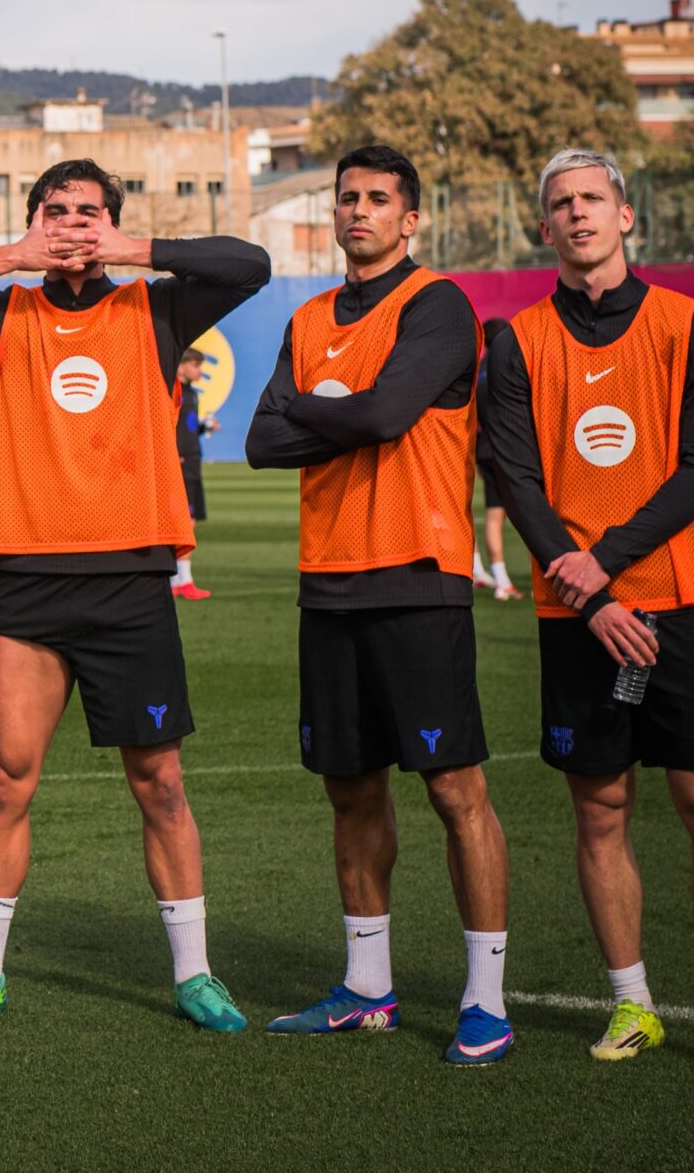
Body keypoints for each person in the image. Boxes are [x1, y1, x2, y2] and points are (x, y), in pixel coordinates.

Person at [0, 159, 269, 1029]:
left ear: (111, 224)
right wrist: (7, 256)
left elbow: (250, 264)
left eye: (88, 213)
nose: (71, 225)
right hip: (30, 579)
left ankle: (193, 972)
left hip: (132, 579)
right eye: (55, 212)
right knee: (4, 780)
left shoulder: (157, 304)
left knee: (162, 784)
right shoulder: (0, 311)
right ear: (32, 221)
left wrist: (135, 250)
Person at [484, 148, 694, 1081]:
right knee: (601, 809)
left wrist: (604, 567)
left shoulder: (687, 327)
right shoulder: (518, 339)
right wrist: (595, 595)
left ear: (627, 217)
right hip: (577, 614)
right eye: (561, 204)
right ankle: (634, 1002)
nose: (578, 214)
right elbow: (514, 477)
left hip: (681, 604)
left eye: (593, 200)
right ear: (545, 228)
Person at [244, 146, 514, 1065]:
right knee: (350, 789)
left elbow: (381, 419)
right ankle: (367, 989)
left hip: (420, 572)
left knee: (454, 789)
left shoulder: (437, 304)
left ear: (410, 220)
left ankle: (487, 1000)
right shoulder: (311, 314)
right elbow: (257, 441)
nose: (359, 210)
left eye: (378, 199)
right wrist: (344, 406)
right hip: (329, 577)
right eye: (347, 197)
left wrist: (322, 404)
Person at [471, 318, 518, 600]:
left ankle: (497, 578)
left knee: (492, 515)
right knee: (530, 512)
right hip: (509, 451)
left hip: (485, 448)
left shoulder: (478, 373)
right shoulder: (509, 367)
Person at [172, 347, 217, 601]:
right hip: (180, 463)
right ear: (181, 366)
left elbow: (186, 428)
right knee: (184, 522)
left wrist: (203, 427)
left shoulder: (191, 394)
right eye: (195, 365)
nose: (199, 371)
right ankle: (182, 580)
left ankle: (180, 580)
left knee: (190, 521)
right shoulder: (172, 390)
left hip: (192, 462)